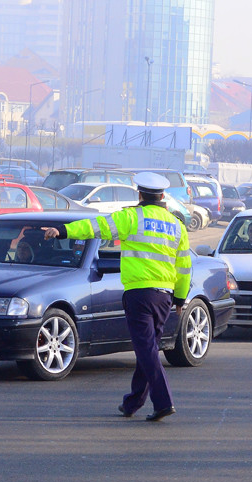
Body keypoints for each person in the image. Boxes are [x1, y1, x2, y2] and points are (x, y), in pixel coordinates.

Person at [44, 172, 190, 422]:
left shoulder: (132, 217)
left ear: (140, 194)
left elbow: (95, 227)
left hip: (139, 294)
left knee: (146, 350)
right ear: (163, 196)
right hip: (164, 297)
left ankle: (163, 401)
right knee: (149, 348)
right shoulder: (177, 225)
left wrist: (62, 231)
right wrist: (180, 298)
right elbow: (184, 266)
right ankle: (133, 402)